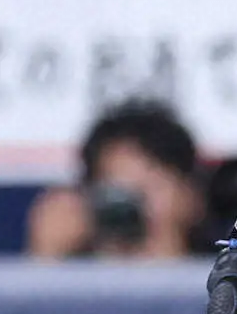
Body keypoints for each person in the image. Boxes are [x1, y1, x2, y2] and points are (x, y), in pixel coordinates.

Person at [26, 98, 205, 259]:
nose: (133, 206)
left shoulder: (216, 278)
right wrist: (47, 255)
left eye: (152, 187)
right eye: (118, 190)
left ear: (190, 197)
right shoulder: (69, 278)